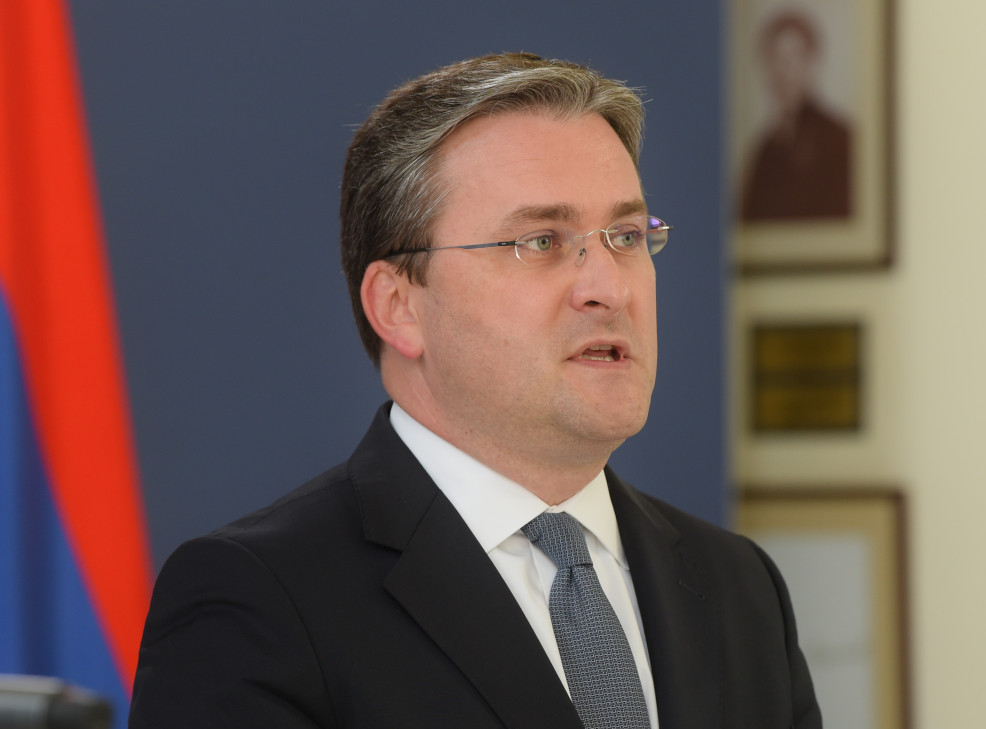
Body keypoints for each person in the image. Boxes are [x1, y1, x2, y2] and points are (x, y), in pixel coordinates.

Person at [129, 53, 821, 729]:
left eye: (627, 236)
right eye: (541, 241)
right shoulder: (258, 598)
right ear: (399, 305)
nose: (609, 288)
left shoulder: (739, 586)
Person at [740, 10, 853, 221]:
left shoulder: (839, 139)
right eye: (774, 59)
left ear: (811, 64)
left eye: (792, 59)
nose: (783, 72)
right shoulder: (764, 150)